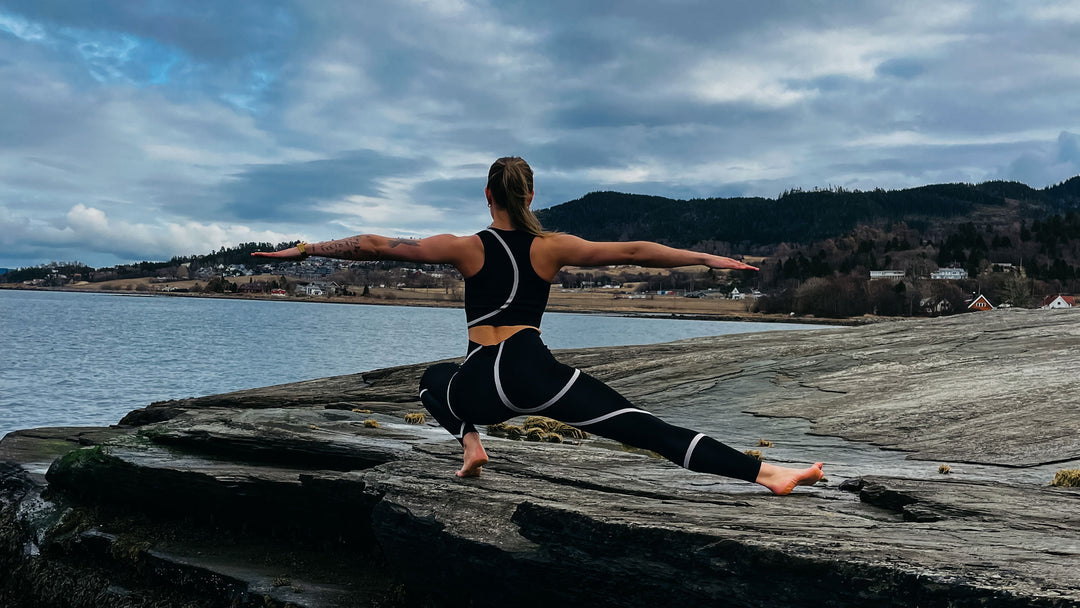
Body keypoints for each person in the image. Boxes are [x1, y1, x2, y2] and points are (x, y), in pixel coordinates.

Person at [254, 157, 824, 495]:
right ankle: (768, 473)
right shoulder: (553, 248)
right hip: (535, 372)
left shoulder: (465, 246)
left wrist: (304, 249)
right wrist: (706, 259)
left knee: (432, 379)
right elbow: (632, 251)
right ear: (530, 195)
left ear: (487, 196)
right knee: (647, 430)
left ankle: (471, 444)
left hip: (482, 381)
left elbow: (376, 244)